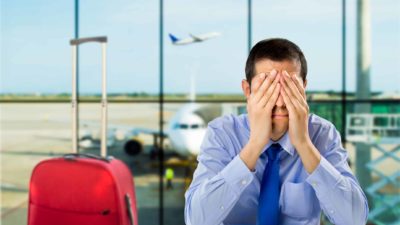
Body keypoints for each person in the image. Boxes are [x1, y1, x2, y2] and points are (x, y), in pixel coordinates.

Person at [184, 38, 369, 225]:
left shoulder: (323, 134)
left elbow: (354, 220)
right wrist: (254, 145)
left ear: (303, 89)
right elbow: (196, 220)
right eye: (268, 88)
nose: (280, 103)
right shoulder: (222, 133)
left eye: (289, 88)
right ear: (247, 90)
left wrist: (304, 145)